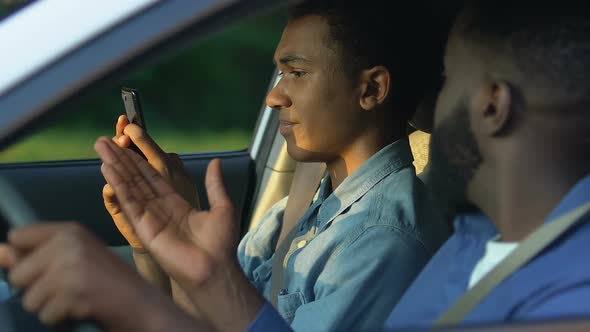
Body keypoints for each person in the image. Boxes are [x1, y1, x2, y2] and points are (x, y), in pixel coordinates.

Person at [0, 1, 450, 331]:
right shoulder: (303, 213)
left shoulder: (383, 242)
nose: (275, 95)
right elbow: (199, 319)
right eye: (278, 74)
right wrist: (155, 243)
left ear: (371, 89)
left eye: (296, 72)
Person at [385, 0, 590, 328]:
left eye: (447, 79)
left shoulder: (574, 295)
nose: (433, 112)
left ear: (492, 106)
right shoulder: (469, 238)